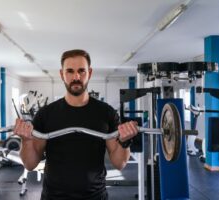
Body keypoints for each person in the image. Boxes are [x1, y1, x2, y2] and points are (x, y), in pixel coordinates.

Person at [14, 49, 138, 200]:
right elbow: (30, 164)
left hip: (95, 196)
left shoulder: (106, 113)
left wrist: (125, 142)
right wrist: (26, 140)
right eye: (70, 71)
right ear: (62, 74)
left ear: (89, 73)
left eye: (81, 71)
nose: (76, 77)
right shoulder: (46, 114)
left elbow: (120, 163)